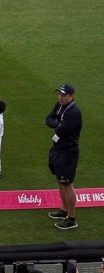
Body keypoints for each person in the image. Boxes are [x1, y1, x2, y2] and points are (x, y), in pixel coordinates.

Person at [45, 82, 82, 230]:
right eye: (59, 94)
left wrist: (57, 124)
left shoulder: (74, 113)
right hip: (58, 149)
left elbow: (61, 131)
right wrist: (57, 124)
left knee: (67, 184)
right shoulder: (60, 105)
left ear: (71, 96)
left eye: (64, 95)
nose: (60, 97)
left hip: (68, 151)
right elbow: (48, 119)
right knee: (60, 181)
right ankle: (64, 210)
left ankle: (72, 218)